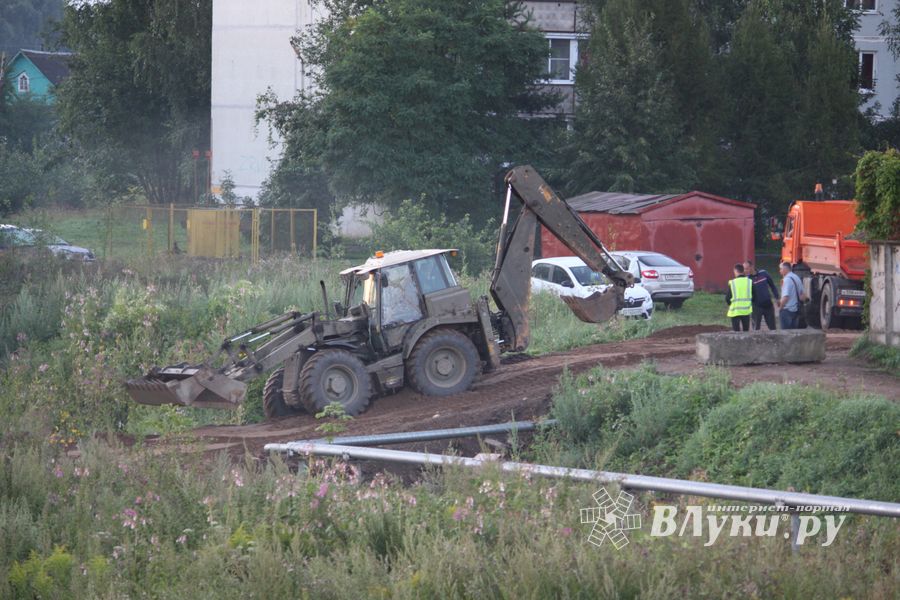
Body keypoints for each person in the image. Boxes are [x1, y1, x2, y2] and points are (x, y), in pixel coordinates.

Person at [743, 260, 779, 330]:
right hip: (756, 307)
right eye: (744, 269)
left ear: (752, 267)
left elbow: (772, 286)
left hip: (768, 306)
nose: (745, 271)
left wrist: (777, 297)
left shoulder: (764, 273)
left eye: (746, 268)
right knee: (756, 329)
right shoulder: (747, 280)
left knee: (772, 328)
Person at [725, 263, 753, 331]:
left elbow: (727, 298)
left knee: (736, 333)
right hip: (746, 311)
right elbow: (754, 295)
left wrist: (731, 304)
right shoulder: (749, 282)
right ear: (743, 271)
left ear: (736, 271)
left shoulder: (732, 283)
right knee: (746, 331)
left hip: (735, 311)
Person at [778, 261, 805, 330]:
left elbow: (785, 297)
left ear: (785, 269)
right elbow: (802, 296)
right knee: (794, 332)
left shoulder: (786, 280)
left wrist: (780, 308)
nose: (779, 271)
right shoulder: (796, 277)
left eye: (781, 269)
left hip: (787, 310)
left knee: (785, 333)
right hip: (796, 310)